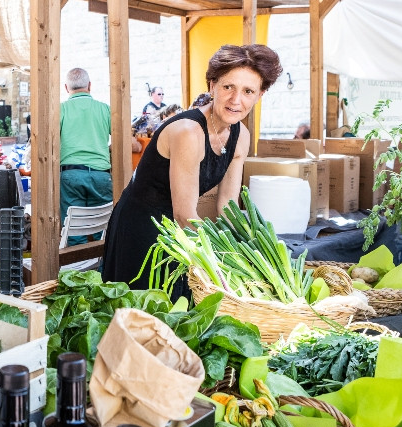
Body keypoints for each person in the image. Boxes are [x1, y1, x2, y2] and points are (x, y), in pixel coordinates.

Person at [102, 44, 282, 293]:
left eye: (248, 91)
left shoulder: (241, 136)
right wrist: (224, 257)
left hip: (182, 233)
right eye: (228, 87)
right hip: (144, 227)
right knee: (146, 311)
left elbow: (227, 207)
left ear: (259, 95)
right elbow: (185, 215)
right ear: (212, 86)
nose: (236, 100)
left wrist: (249, 246)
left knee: (183, 312)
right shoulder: (188, 132)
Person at [59, 67, 112, 246]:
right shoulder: (105, 109)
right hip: (101, 175)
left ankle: (78, 271)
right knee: (104, 230)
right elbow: (124, 140)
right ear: (89, 85)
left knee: (74, 232)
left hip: (71, 175)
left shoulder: (61, 109)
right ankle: (103, 272)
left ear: (67, 88)